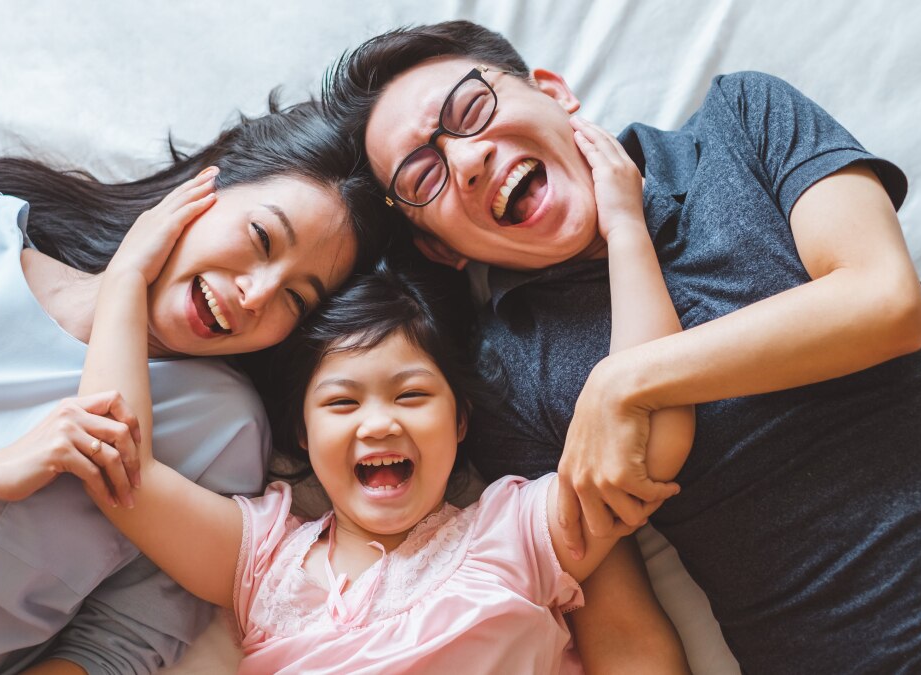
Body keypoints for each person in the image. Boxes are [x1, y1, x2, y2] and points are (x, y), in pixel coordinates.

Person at [321, 20, 921, 674]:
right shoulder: (507, 379)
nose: (468, 161)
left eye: (472, 109)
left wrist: (624, 382)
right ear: (440, 249)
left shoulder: (743, 118)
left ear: (554, 92)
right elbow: (621, 629)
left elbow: (884, 303)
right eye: (423, 178)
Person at [0, 101, 389, 673]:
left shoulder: (221, 429)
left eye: (295, 298)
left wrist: (127, 280)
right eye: (261, 237)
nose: (256, 295)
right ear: (205, 188)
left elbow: (117, 647)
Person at [69, 128, 694, 672]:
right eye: (342, 404)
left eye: (412, 394)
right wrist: (126, 279)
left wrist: (625, 230)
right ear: (303, 435)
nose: (379, 424)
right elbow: (116, 461)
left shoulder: (515, 535)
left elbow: (650, 432)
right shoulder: (262, 561)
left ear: (460, 421)